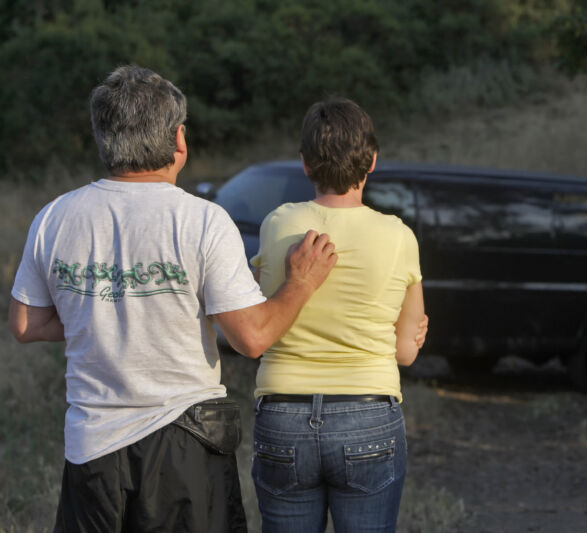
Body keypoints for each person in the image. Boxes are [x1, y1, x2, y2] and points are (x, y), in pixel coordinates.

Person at [8, 66, 337, 533]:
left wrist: (106, 308)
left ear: (103, 138)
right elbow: (252, 337)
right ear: (179, 139)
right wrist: (300, 283)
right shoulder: (202, 221)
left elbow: (26, 324)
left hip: (90, 452)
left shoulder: (54, 217)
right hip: (186, 447)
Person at [249, 98, 427, 533]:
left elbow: (260, 312)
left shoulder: (278, 224)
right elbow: (405, 353)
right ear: (372, 161)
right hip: (368, 416)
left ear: (306, 164)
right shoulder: (398, 237)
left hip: (283, 415)